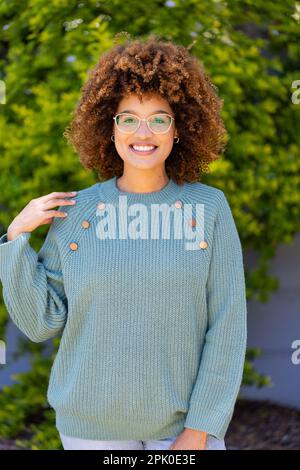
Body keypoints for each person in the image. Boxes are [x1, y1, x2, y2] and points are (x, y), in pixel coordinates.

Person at [0, 35, 247, 451]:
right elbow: (40, 322)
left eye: (159, 118)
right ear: (109, 128)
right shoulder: (76, 213)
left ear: (179, 128)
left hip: (184, 429)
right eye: (128, 118)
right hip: (88, 430)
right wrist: (15, 237)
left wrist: (201, 427)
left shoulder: (210, 209)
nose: (142, 132)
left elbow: (227, 326)